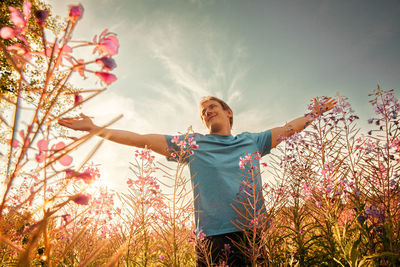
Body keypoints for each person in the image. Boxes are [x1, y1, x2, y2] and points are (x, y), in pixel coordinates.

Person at [58, 96, 335, 266]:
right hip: (211, 238)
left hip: (252, 233)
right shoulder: (192, 144)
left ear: (228, 113)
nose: (207, 112)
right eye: (203, 112)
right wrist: (95, 129)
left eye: (212, 107)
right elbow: (140, 138)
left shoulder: (252, 140)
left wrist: (316, 112)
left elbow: (288, 128)